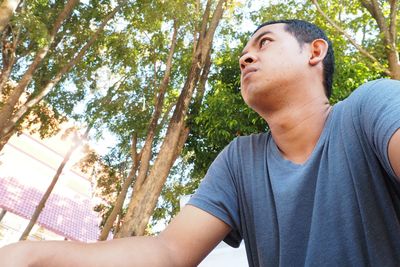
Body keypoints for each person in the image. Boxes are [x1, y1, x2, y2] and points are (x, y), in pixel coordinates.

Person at [0, 19, 399, 267]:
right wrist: (31, 255)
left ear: (315, 52)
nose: (245, 58)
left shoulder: (371, 106)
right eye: (243, 52)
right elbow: (169, 253)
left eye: (263, 43)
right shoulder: (241, 161)